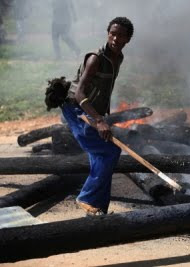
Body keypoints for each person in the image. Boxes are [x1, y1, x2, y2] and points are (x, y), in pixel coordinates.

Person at [61, 17, 134, 216]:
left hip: (90, 111)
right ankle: (87, 198)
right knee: (109, 151)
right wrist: (99, 120)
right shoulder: (96, 58)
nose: (115, 38)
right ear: (107, 33)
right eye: (112, 33)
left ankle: (97, 208)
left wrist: (100, 115)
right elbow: (79, 93)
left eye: (121, 35)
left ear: (128, 39)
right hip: (76, 110)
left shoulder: (118, 58)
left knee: (100, 154)